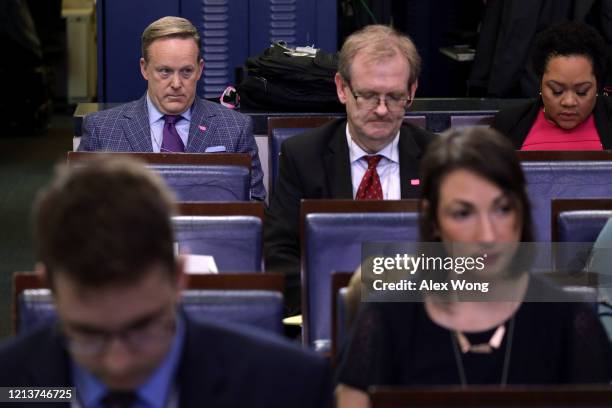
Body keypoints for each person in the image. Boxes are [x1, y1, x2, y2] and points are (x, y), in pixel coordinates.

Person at [0, 157, 332, 407]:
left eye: (142, 327)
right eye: (89, 334)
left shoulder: (288, 387)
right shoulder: (10, 386)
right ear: (49, 290)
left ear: (179, 277)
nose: (119, 364)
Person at [336, 127, 612, 407]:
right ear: (434, 221)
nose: (488, 235)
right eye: (463, 213)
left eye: (503, 209)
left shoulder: (571, 321)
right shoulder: (384, 318)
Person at [264, 25, 435, 313]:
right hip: (330, 314)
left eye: (394, 96)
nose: (381, 109)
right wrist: (332, 308)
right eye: (368, 95)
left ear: (412, 91)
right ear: (342, 89)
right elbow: (280, 256)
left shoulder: (440, 160)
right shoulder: (304, 157)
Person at [78, 16, 265, 201]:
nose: (176, 84)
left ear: (199, 70)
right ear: (144, 69)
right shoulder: (101, 130)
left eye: (186, 71)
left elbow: (255, 208)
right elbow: (78, 207)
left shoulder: (235, 128)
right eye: (165, 71)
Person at [493, 22, 612, 150]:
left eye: (582, 91)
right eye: (557, 91)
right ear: (540, 83)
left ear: (597, 85)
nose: (569, 102)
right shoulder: (508, 125)